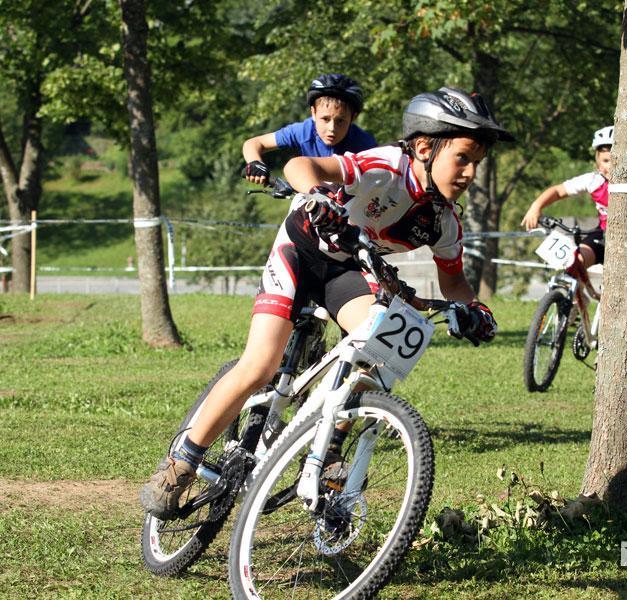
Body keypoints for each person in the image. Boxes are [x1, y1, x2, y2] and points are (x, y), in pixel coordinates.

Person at [140, 87, 514, 519]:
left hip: (346, 271)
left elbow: (454, 282)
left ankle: (330, 450)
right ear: (425, 149)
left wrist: (477, 311)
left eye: (477, 163)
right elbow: (300, 165)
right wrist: (319, 196)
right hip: (301, 250)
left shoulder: (444, 220)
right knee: (261, 365)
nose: (470, 173)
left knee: (377, 349)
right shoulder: (386, 167)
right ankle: (181, 463)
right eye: (463, 158)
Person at [241, 73, 378, 185]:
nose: (332, 128)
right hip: (312, 194)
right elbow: (253, 143)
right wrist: (255, 163)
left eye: (340, 121)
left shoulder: (366, 145)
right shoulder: (303, 132)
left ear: (353, 118)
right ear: (313, 113)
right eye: (325, 119)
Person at [520, 125, 613, 269]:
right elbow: (558, 191)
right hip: (603, 234)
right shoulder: (593, 180)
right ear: (598, 164)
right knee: (575, 262)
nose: (611, 166)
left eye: (616, 160)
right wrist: (536, 206)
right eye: (606, 161)